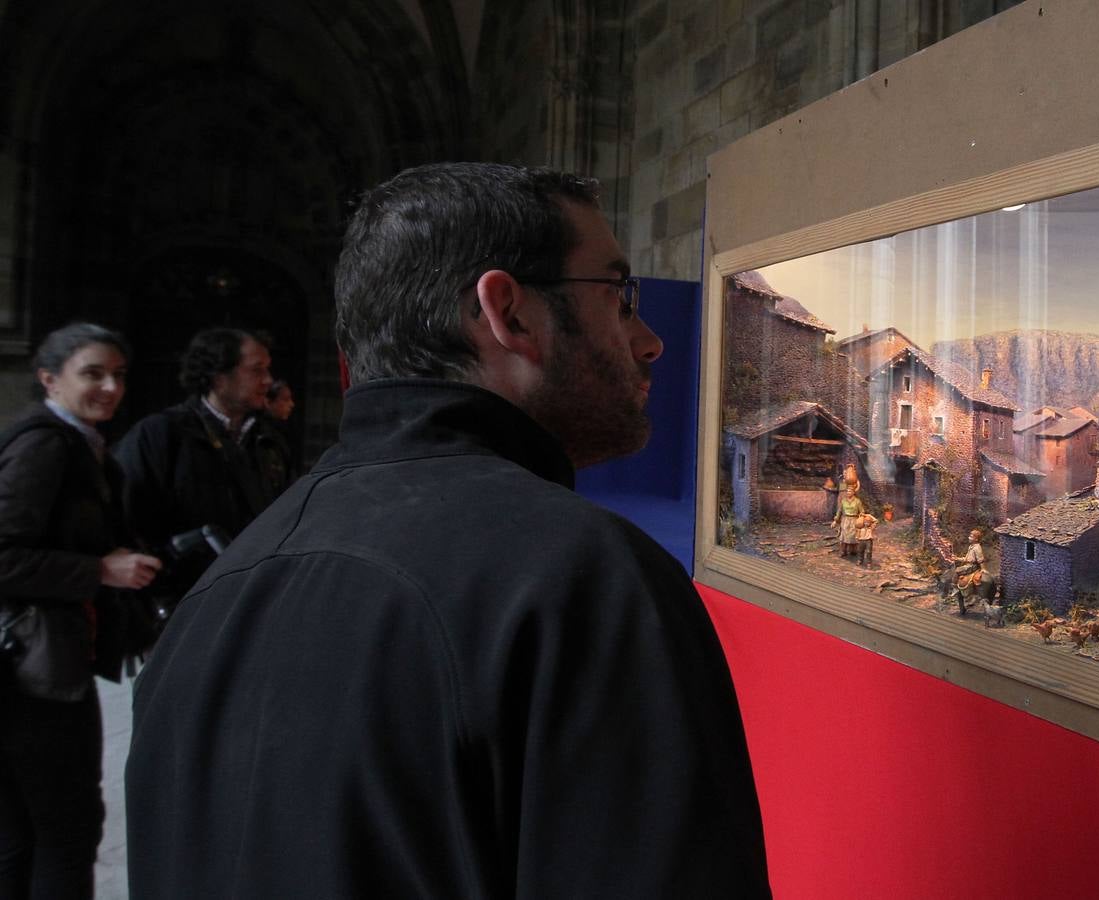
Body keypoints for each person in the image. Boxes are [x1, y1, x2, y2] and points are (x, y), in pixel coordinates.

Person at [125, 163, 771, 897]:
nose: (650, 341)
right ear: (510, 312)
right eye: (620, 297)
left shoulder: (221, 589)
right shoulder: (585, 578)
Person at [0, 323, 162, 899]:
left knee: (23, 832)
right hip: (34, 675)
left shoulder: (80, 445)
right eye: (92, 373)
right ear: (49, 378)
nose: (110, 387)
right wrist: (98, 570)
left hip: (40, 670)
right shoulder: (47, 445)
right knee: (67, 831)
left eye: (118, 375)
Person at [113, 327, 289, 605]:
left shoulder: (268, 442)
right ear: (219, 377)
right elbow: (127, 523)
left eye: (267, 369)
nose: (268, 380)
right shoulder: (160, 435)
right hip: (181, 600)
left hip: (248, 597)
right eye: (256, 370)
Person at [832, 483, 862, 557]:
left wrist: (861, 520)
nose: (848, 493)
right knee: (843, 535)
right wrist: (835, 520)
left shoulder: (857, 501)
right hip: (845, 520)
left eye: (850, 491)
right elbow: (839, 511)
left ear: (853, 492)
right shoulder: (843, 501)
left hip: (854, 520)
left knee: (853, 536)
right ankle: (843, 551)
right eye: (847, 491)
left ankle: (853, 551)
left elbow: (862, 511)